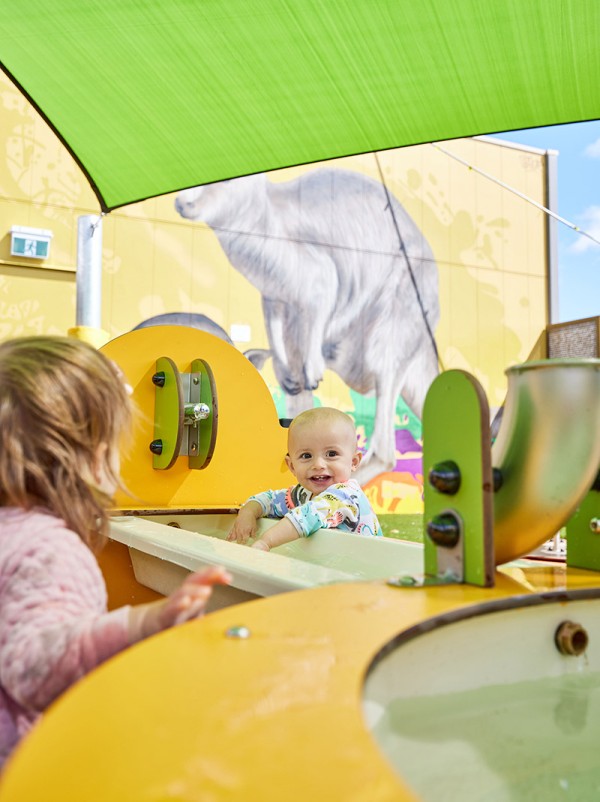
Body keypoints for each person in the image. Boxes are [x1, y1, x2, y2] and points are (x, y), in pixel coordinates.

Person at [0, 335, 232, 768]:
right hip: (24, 768)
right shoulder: (47, 549)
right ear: (94, 460)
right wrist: (145, 621)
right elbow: (35, 668)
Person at [227, 407, 382, 550]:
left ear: (353, 462)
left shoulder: (346, 495)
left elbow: (306, 517)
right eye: (306, 456)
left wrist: (265, 542)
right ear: (292, 466)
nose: (318, 464)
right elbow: (269, 499)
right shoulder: (302, 494)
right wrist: (247, 513)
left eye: (332, 454)